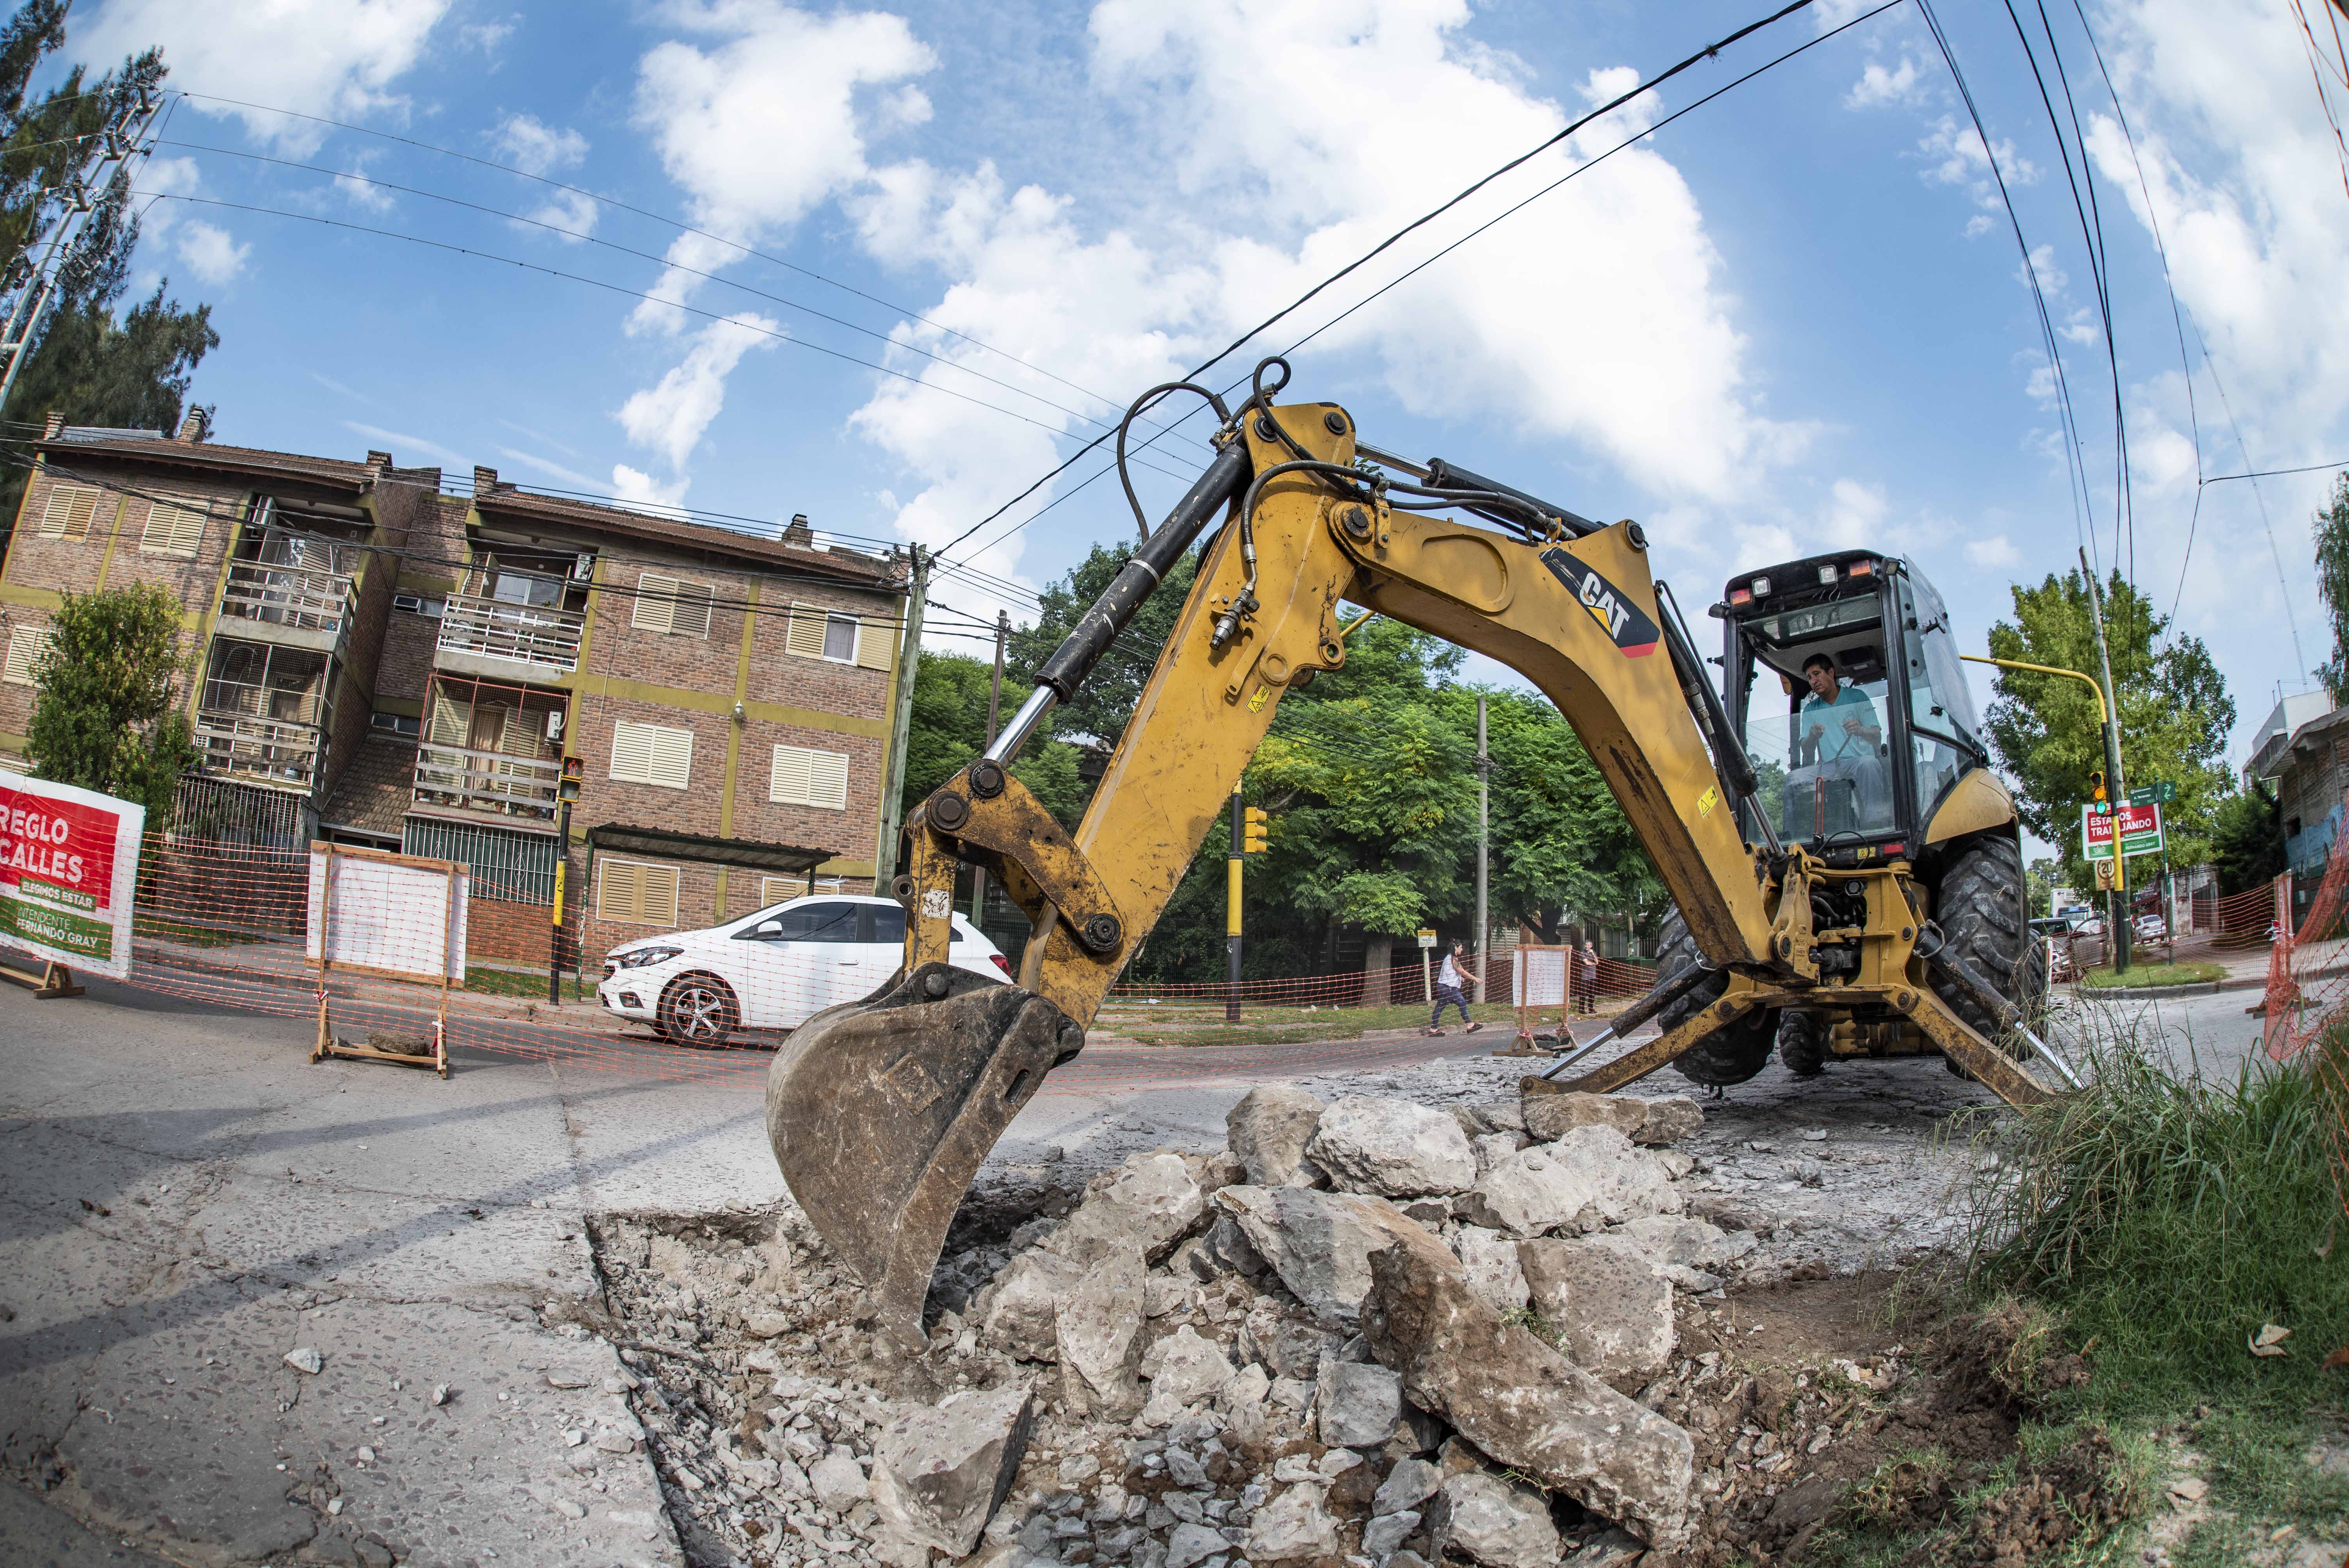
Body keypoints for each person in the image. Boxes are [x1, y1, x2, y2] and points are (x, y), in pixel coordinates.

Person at [1798, 651, 1881, 764]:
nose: (1813, 681)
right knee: (1794, 778)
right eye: (1810, 678)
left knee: (1869, 764)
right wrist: (1812, 736)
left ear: (1831, 673)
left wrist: (1861, 730)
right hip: (1828, 768)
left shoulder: (1857, 697)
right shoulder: (1810, 710)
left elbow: (1877, 737)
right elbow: (1806, 751)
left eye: (1817, 674)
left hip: (1859, 763)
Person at [1426, 940, 1479, 1036]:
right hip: (1448, 988)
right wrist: (1476, 979)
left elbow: (1451, 972)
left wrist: (1459, 978)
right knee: (1440, 1007)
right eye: (1461, 948)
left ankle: (1470, 1025)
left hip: (1449, 988)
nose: (1462, 950)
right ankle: (1433, 1030)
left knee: (1462, 1003)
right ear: (1456, 948)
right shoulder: (1453, 960)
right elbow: (1462, 971)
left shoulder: (1449, 958)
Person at [1576, 940, 1600, 1015]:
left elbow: (1597, 962)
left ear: (1591, 946)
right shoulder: (1583, 953)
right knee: (1584, 993)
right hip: (1586, 976)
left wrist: (1593, 954)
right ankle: (1582, 1009)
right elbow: (1587, 963)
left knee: (1592, 993)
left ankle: (1591, 1008)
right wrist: (1594, 963)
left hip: (1593, 976)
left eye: (1588, 945)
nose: (1586, 946)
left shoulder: (1594, 953)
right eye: (1586, 945)